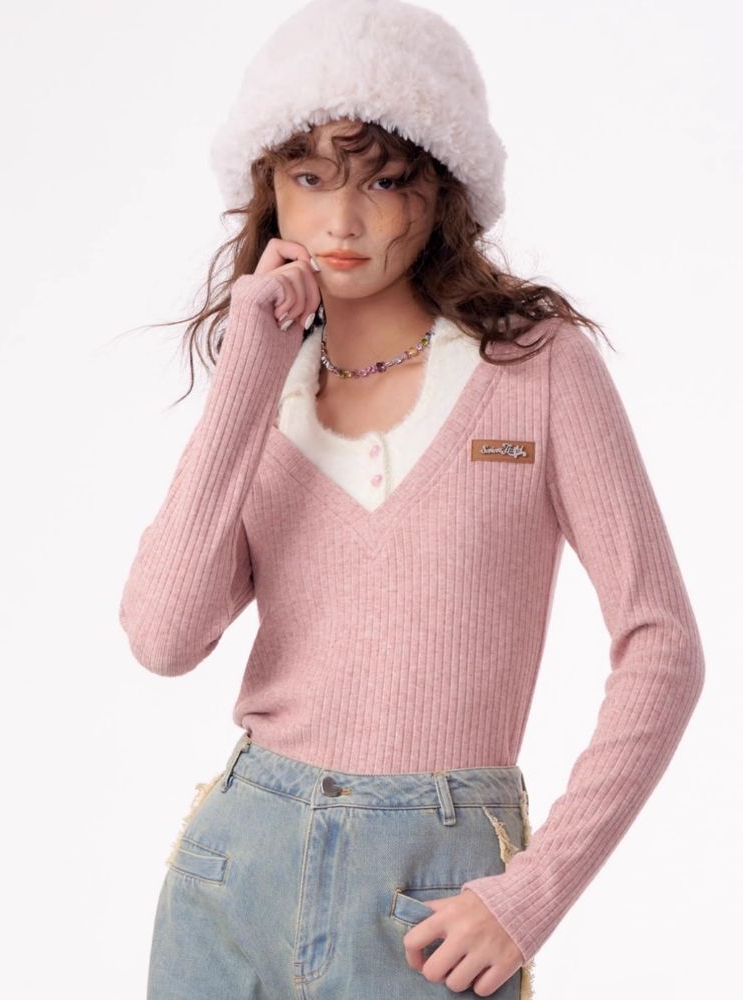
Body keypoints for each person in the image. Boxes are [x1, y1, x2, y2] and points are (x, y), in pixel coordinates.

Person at [118, 2, 705, 998]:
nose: (343, 221)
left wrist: (534, 892)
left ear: (444, 188)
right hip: (235, 876)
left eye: (385, 180)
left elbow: (664, 643)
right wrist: (250, 367)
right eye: (309, 177)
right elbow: (162, 637)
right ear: (267, 186)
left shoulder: (536, 367)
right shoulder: (265, 390)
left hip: (433, 895)